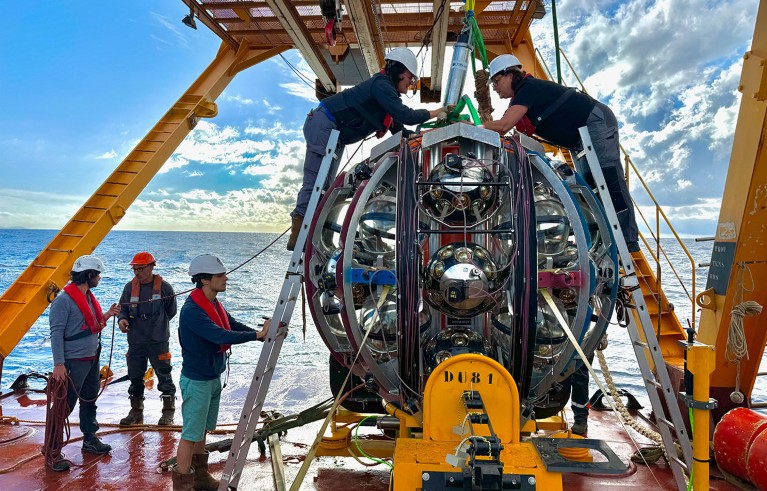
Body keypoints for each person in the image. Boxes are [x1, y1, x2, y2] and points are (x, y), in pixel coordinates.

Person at [287, 47, 444, 250]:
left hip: (335, 133)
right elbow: (406, 115)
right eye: (410, 78)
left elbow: (400, 129)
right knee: (315, 181)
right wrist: (436, 113)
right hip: (324, 123)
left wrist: (421, 136)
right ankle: (298, 231)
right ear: (399, 71)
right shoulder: (381, 86)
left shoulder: (387, 95)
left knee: (324, 185)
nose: (410, 84)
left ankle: (310, 232)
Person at [480, 54, 640, 253]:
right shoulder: (521, 98)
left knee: (608, 179)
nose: (494, 87)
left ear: (510, 74)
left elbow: (504, 125)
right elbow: (511, 130)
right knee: (587, 187)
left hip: (595, 122)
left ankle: (627, 237)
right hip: (578, 140)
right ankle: (603, 238)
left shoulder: (527, 88)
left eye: (496, 81)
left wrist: (474, 127)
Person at [172, 254, 269, 491]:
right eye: (220, 275)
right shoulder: (192, 311)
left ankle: (201, 478)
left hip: (211, 376)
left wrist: (259, 334)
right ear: (204, 280)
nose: (225, 278)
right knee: (190, 433)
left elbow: (230, 324)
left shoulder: (213, 303)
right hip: (197, 381)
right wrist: (256, 335)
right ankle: (183, 485)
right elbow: (219, 335)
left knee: (201, 429)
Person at [47, 255, 121, 471]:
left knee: (89, 399)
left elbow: (90, 325)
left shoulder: (87, 297)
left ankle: (90, 439)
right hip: (73, 361)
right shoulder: (63, 301)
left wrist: (107, 314)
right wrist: (59, 364)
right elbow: (56, 333)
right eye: (97, 274)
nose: (99, 278)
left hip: (91, 358)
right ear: (89, 275)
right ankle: (52, 450)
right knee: (64, 404)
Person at [116, 252, 178, 426]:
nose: (137, 273)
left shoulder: (165, 288)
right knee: (135, 375)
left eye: (141, 269)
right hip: (136, 340)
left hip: (158, 340)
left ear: (152, 267)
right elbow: (123, 309)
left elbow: (171, 311)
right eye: (135, 269)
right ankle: (136, 410)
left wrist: (157, 324)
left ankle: (168, 412)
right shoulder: (129, 288)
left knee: (164, 375)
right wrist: (122, 320)